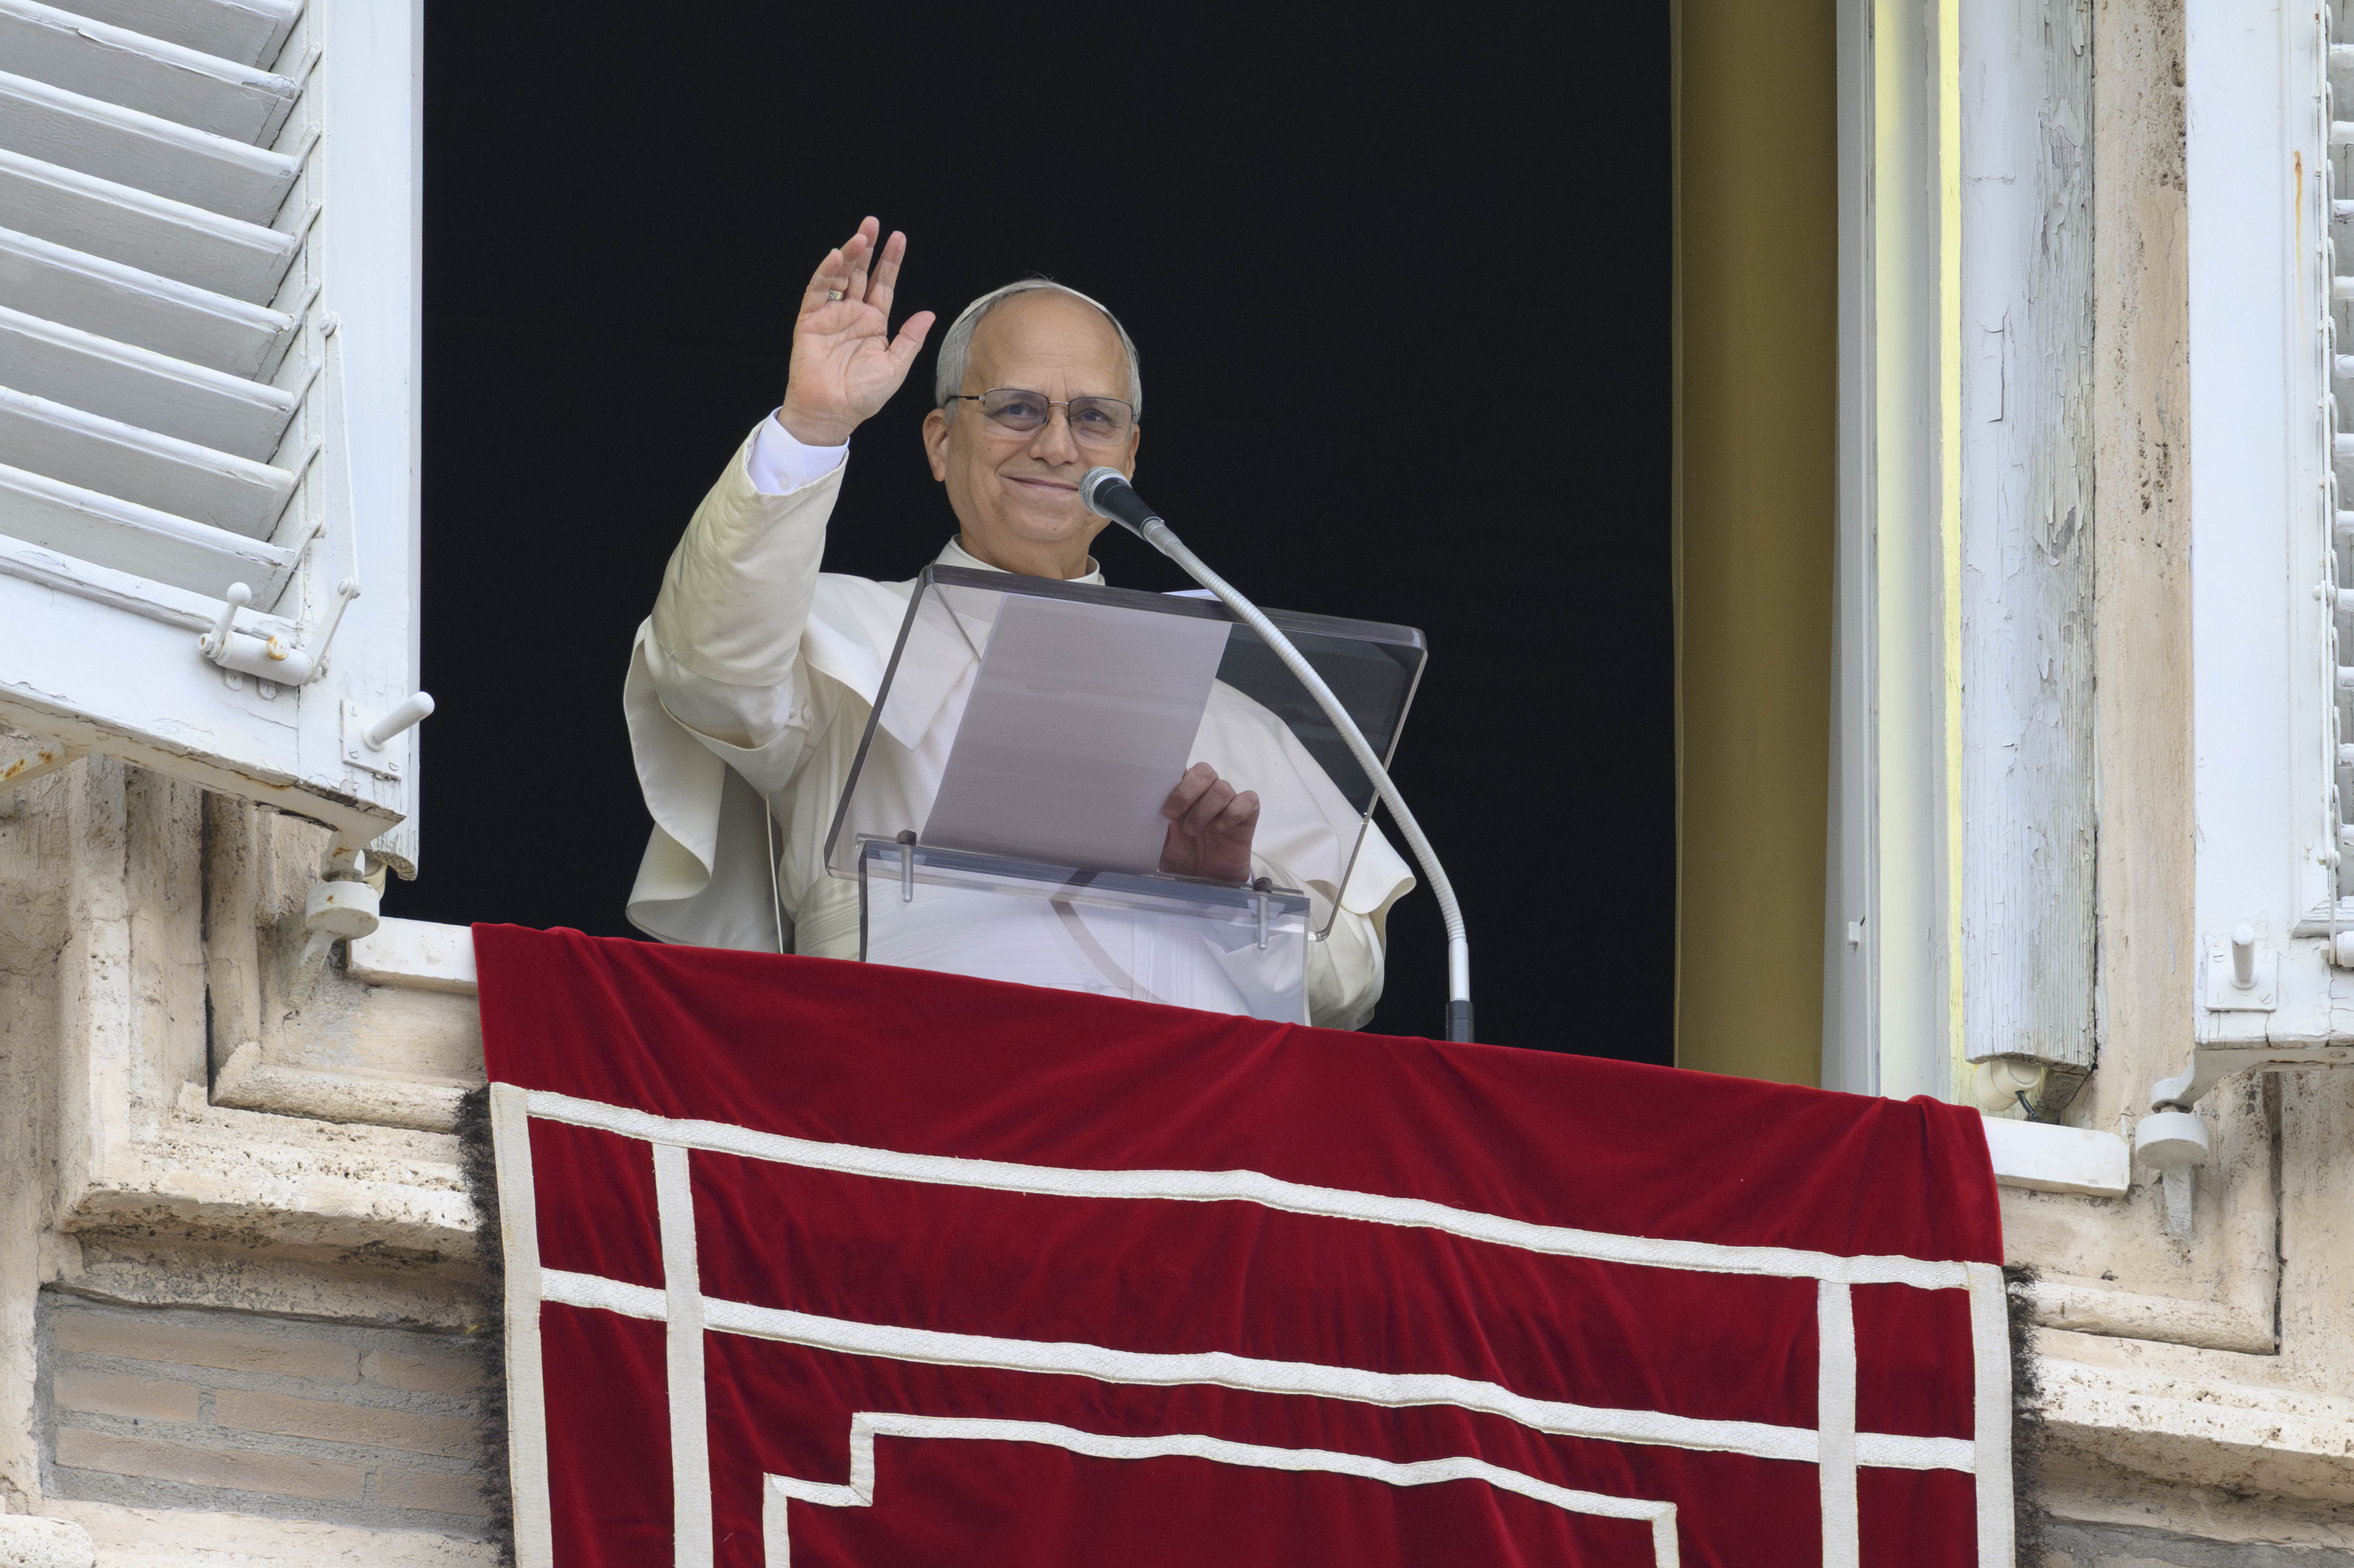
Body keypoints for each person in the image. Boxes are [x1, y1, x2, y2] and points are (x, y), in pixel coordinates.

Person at [622, 217, 1411, 1029]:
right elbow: (707, 674)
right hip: (905, 1092)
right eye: (1017, 409)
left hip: (1176, 1125)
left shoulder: (1238, 719)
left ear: (1130, 457)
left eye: (1095, 418)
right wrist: (812, 428)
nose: (1058, 446)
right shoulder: (837, 630)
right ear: (939, 441)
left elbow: (1350, 983)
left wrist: (1234, 896)